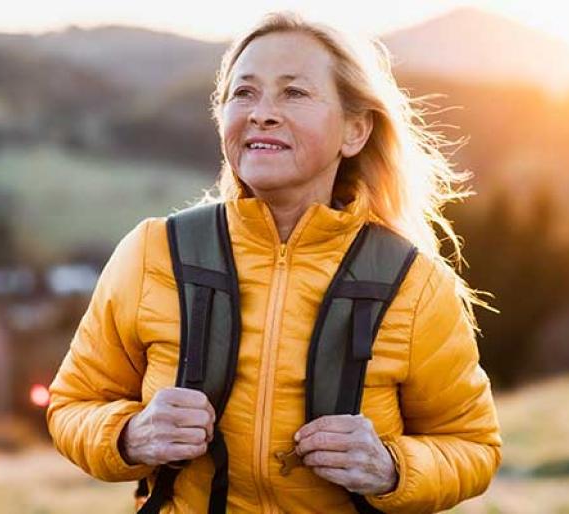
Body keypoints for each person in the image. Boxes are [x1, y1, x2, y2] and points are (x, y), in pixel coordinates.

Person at [47, 11, 500, 513]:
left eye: (294, 93)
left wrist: (391, 467)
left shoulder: (412, 283)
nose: (262, 113)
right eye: (244, 93)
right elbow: (72, 406)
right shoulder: (154, 252)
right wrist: (132, 435)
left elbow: (473, 446)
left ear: (355, 131)